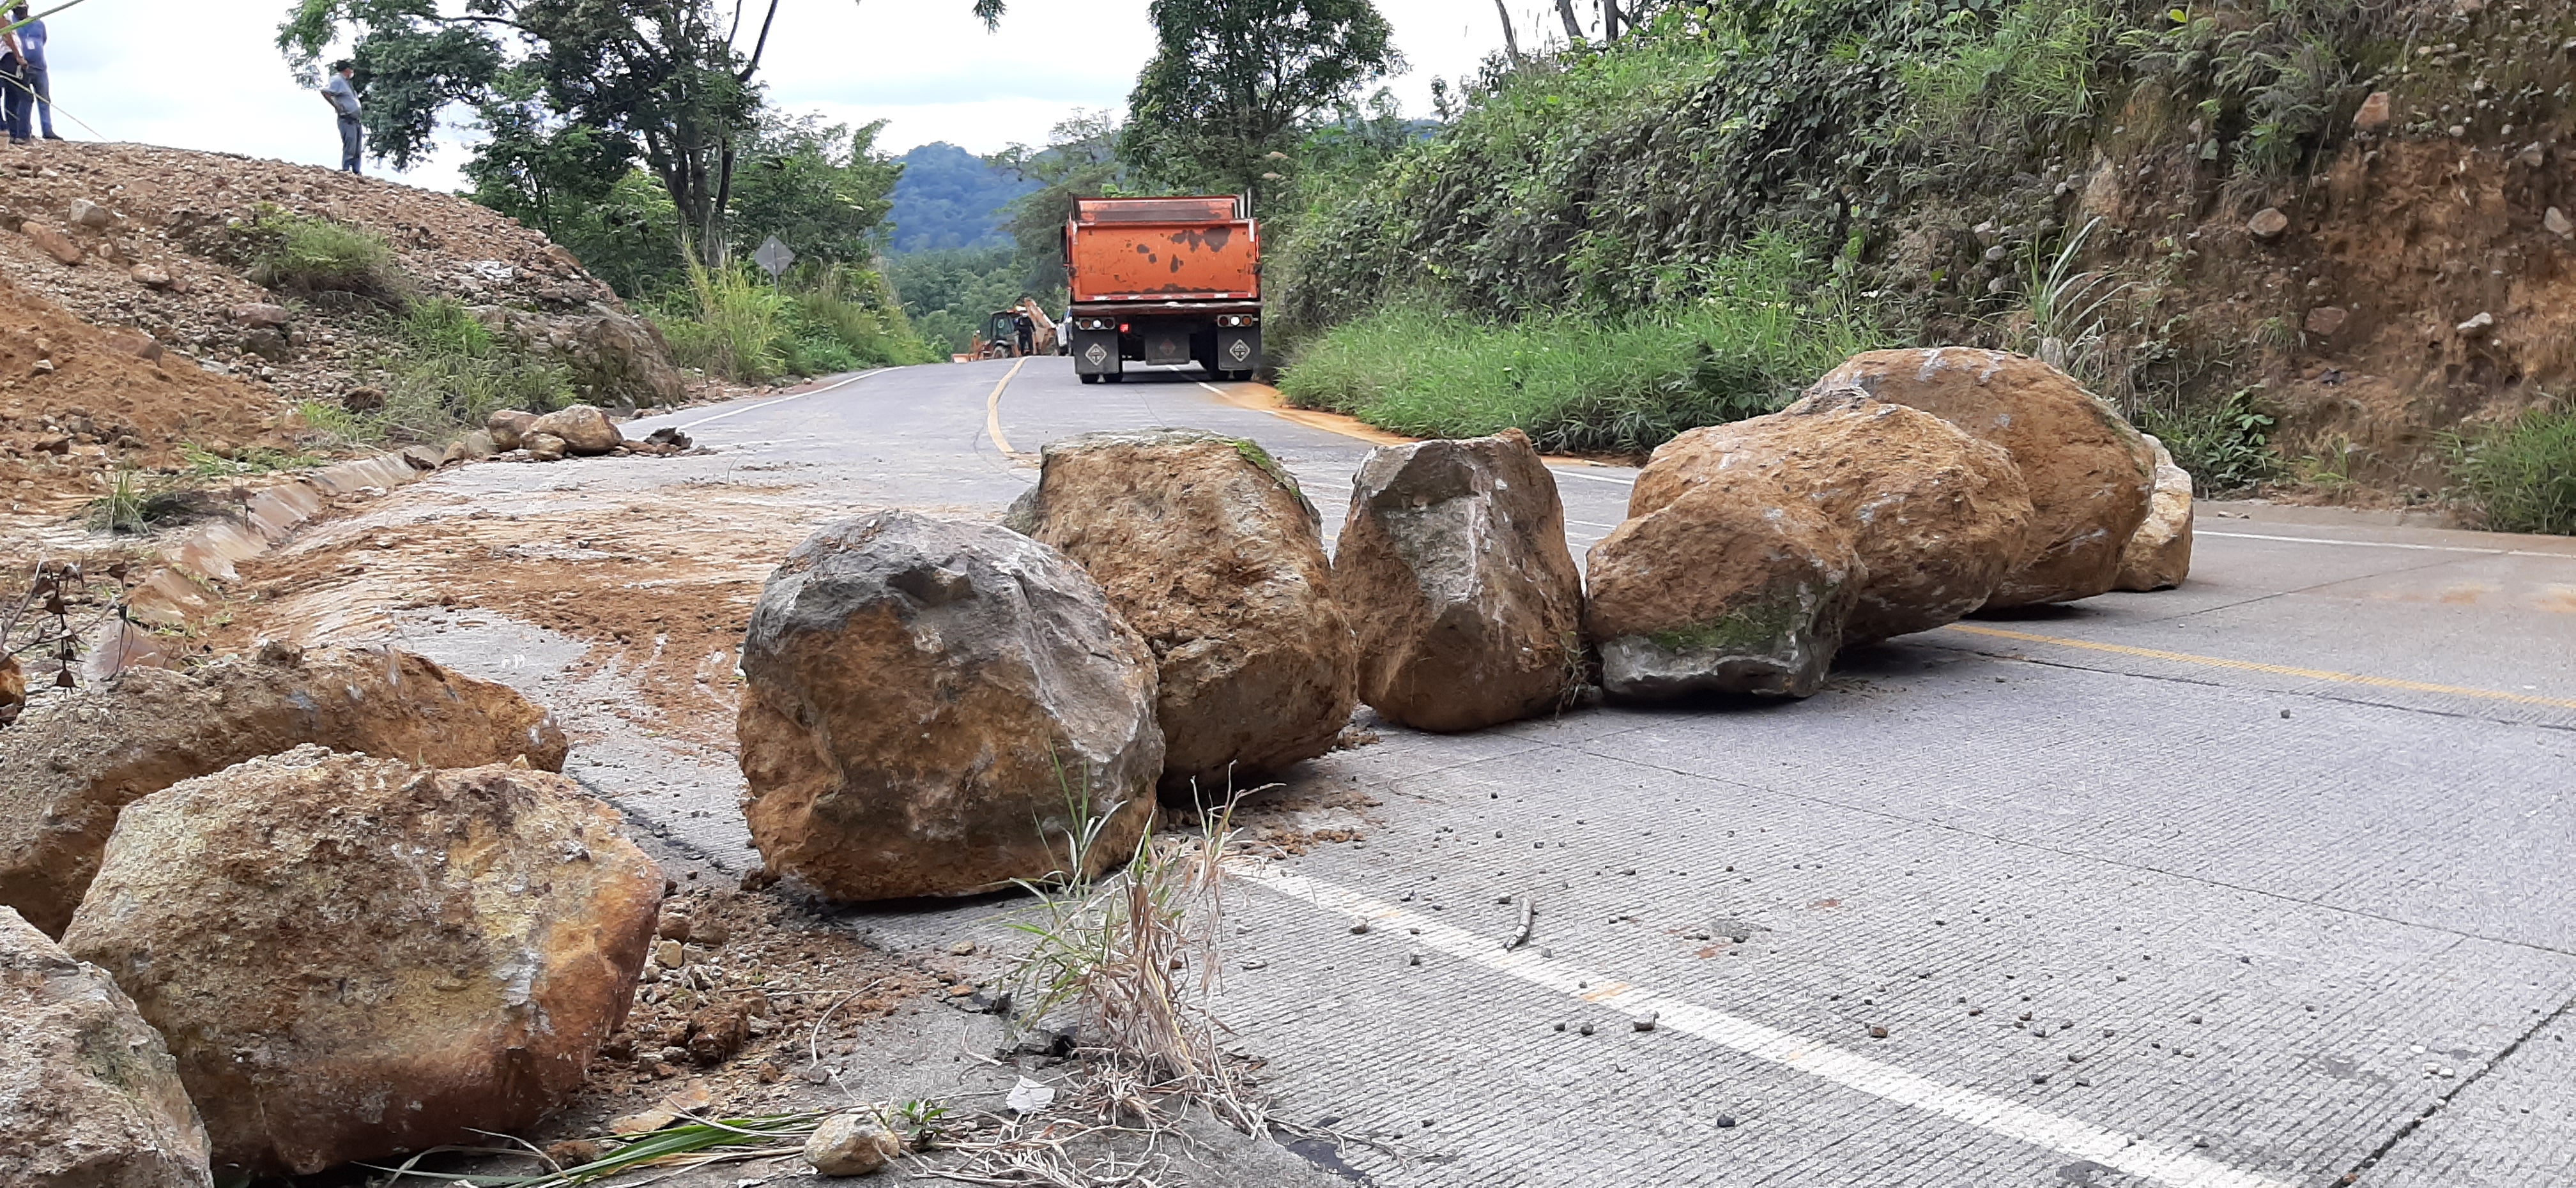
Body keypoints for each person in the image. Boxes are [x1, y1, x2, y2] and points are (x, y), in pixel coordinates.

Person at [8, 6, 52, 141]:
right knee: (24, 99)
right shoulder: (10, 24)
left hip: (40, 67)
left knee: (44, 99)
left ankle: (48, 129)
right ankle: (26, 130)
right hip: (23, 67)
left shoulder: (38, 24)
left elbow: (43, 40)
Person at [321, 59, 362, 173]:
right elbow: (326, 92)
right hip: (346, 118)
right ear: (347, 70)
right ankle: (346, 169)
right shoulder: (337, 80)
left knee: (357, 147)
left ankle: (356, 171)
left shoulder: (346, 82)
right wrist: (337, 106)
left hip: (355, 119)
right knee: (350, 145)